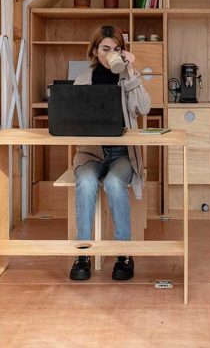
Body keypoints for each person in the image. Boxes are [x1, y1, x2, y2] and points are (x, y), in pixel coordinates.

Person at [69, 25, 151, 281]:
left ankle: (123, 253)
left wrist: (130, 72)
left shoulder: (127, 76)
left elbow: (145, 109)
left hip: (122, 154)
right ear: (95, 51)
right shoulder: (82, 80)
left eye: (117, 49)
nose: (111, 54)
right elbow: (73, 119)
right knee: (86, 181)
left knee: (115, 183)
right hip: (91, 153)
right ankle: (82, 252)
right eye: (105, 49)